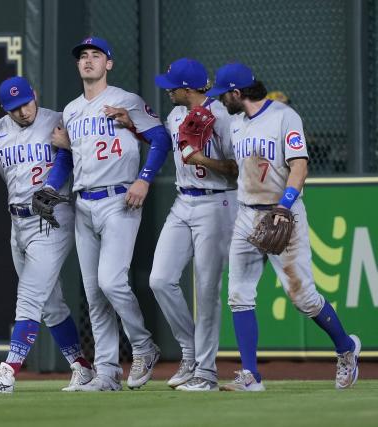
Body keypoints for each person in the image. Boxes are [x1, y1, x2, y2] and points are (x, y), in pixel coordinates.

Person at [205, 63, 361, 391]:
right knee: (238, 295)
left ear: (237, 92)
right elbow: (239, 169)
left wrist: (284, 206)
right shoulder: (236, 124)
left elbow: (300, 166)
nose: (223, 101)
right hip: (247, 214)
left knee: (303, 297)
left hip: (283, 213)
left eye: (225, 95)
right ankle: (251, 376)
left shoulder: (284, 116)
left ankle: (346, 348)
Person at [44, 36, 171, 391]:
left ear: (108, 64)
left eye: (95, 55)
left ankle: (144, 346)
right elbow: (68, 157)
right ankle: (106, 372)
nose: (88, 61)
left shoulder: (125, 100)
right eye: (82, 55)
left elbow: (161, 139)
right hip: (83, 202)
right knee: (93, 292)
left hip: (120, 199)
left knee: (111, 281)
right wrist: (54, 186)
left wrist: (144, 179)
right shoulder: (70, 110)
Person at [112, 58, 237, 391]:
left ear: (188, 88)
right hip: (184, 202)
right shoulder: (176, 115)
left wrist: (203, 160)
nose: (167, 91)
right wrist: (133, 126)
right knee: (160, 279)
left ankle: (207, 373)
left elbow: (238, 170)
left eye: (172, 87)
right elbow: (166, 142)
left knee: (206, 289)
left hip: (218, 201)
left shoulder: (222, 117)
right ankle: (191, 351)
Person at [0, 76, 93, 393]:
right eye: (14, 108)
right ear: (4, 108)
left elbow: (65, 157)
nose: (22, 111)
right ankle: (82, 367)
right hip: (18, 222)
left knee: (29, 297)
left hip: (52, 217)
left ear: (35, 95)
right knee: (50, 304)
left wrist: (50, 186)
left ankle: (8, 372)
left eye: (25, 102)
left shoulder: (56, 121)